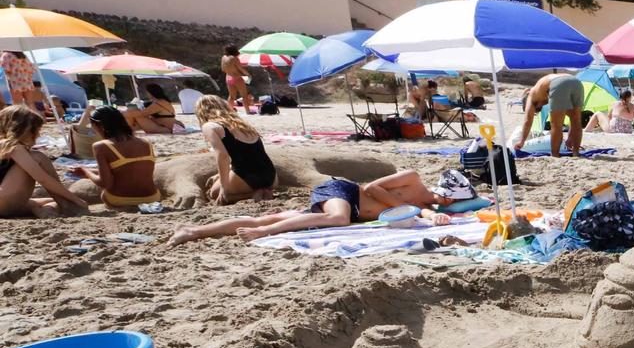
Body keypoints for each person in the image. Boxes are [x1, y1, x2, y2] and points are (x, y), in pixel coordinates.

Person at [170, 169, 442, 242]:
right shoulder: (414, 181)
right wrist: (422, 211)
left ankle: (193, 231)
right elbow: (371, 187)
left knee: (266, 219)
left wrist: (431, 214)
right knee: (338, 219)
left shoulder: (432, 209)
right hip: (342, 191)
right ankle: (264, 235)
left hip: (348, 207)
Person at [0, 107, 90, 217]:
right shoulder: (13, 146)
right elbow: (43, 179)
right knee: (38, 157)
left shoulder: (4, 145)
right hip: (3, 201)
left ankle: (42, 208)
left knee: (47, 202)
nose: (38, 135)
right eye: (37, 131)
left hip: (4, 200)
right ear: (25, 129)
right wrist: (76, 200)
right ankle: (64, 204)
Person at [194, 95, 278, 202]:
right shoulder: (242, 124)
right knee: (223, 181)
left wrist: (224, 188)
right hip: (271, 176)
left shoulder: (209, 126)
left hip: (247, 176)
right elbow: (248, 154)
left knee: (215, 193)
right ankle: (264, 190)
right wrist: (219, 175)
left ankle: (253, 194)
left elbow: (222, 156)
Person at [80, 106, 160, 206]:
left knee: (104, 192)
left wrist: (85, 172)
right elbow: (129, 169)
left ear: (100, 125)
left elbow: (105, 183)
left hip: (120, 199)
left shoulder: (101, 146)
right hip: (152, 198)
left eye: (93, 126)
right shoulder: (146, 143)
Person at [514, 72, 586, 156]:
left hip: (558, 83)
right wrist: (570, 137)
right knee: (576, 120)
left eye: (537, 109)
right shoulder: (542, 90)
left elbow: (527, 120)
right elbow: (571, 116)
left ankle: (555, 154)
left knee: (556, 124)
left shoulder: (531, 95)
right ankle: (576, 152)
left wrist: (522, 141)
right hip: (576, 81)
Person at [3, 51, 53, 118]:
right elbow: (32, 69)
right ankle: (36, 119)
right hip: (27, 81)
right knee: (30, 103)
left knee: (18, 104)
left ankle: (20, 120)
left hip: (15, 82)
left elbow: (6, 69)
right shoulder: (23, 55)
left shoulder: (6, 55)